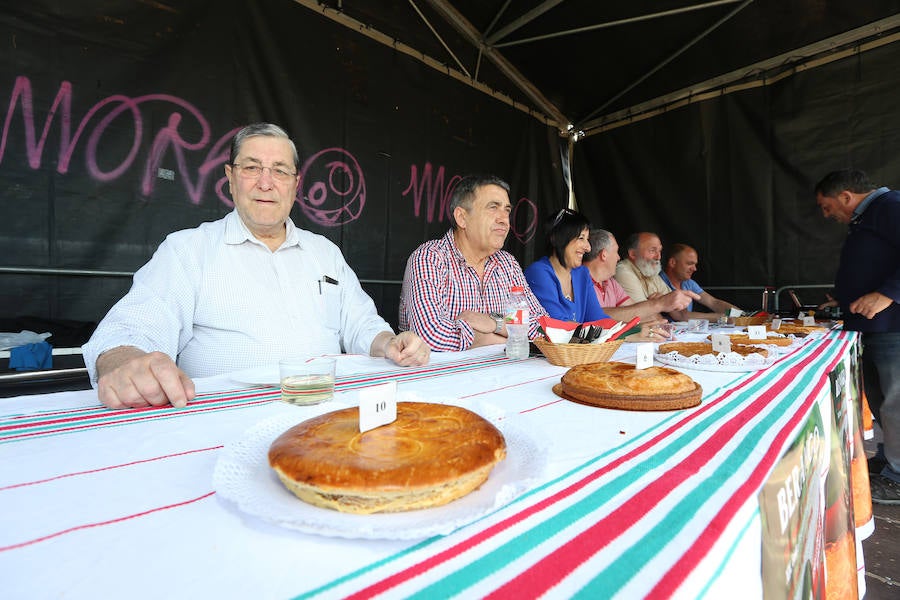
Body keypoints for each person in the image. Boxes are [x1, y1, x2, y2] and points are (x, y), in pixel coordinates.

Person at [83, 123, 429, 410]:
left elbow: (360, 323)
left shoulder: (324, 253)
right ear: (230, 178)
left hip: (323, 410)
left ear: (296, 184)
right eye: (251, 168)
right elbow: (132, 326)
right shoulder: (189, 249)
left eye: (280, 170)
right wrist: (123, 360)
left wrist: (389, 342)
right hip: (222, 419)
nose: (266, 182)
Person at [815, 168, 900, 505]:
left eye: (827, 206)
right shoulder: (868, 218)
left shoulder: (890, 206)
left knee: (895, 399)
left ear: (846, 196)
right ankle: (889, 457)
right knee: (881, 399)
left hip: (893, 324)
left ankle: (898, 474)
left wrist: (887, 294)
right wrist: (848, 295)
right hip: (874, 326)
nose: (827, 215)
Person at [399, 174, 547, 351]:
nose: (504, 219)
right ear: (462, 218)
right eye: (493, 207)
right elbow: (429, 337)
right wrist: (502, 339)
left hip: (504, 374)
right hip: (444, 377)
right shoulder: (429, 258)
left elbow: (542, 328)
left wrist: (495, 323)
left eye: (507, 210)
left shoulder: (508, 263)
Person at [582, 229, 696, 326]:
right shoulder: (579, 279)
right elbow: (594, 317)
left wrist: (660, 325)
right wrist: (659, 304)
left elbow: (634, 311)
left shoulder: (610, 282)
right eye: (616, 251)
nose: (618, 257)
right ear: (604, 254)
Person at [524, 209, 611, 322]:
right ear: (555, 238)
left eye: (587, 239)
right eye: (581, 238)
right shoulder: (538, 272)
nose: (588, 247)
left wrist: (632, 332)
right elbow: (557, 324)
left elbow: (598, 319)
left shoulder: (582, 273)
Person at [660, 243, 743, 321]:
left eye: (695, 264)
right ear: (672, 263)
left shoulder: (688, 283)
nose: (694, 269)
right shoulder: (658, 282)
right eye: (689, 263)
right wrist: (724, 318)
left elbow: (713, 302)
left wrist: (741, 315)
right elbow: (682, 316)